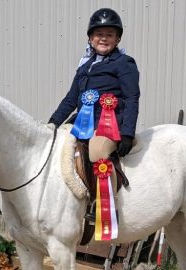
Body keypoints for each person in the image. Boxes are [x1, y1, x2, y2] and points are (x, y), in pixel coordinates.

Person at [49, 8, 140, 158]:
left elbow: (132, 98)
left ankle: (118, 182)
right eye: (99, 34)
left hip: (109, 126)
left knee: (97, 151)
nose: (104, 39)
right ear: (91, 38)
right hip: (82, 124)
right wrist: (53, 123)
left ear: (117, 39)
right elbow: (71, 99)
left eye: (109, 35)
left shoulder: (124, 63)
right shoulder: (84, 67)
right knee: (56, 146)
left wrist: (127, 134)